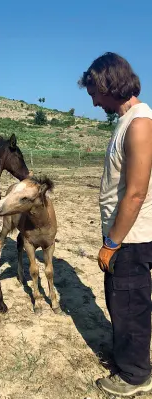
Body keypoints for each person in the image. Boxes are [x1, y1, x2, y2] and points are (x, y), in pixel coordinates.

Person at [78, 52, 152, 397]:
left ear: (109, 84)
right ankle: (127, 358)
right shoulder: (127, 121)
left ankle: (135, 376)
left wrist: (112, 242)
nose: (93, 101)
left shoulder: (139, 123)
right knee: (120, 301)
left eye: (94, 92)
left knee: (130, 304)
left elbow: (135, 193)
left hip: (131, 239)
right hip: (124, 235)